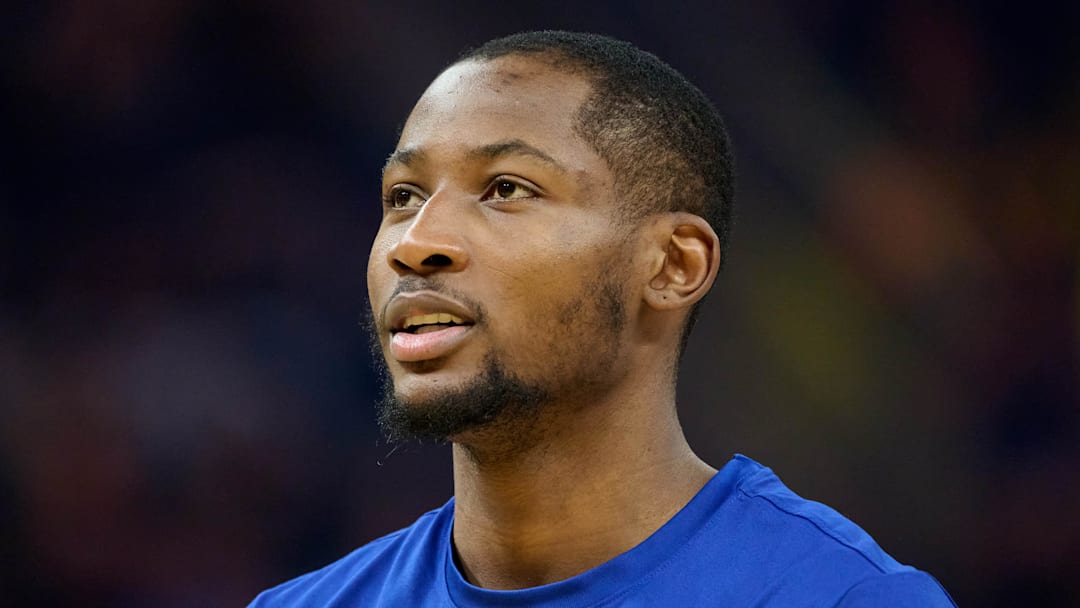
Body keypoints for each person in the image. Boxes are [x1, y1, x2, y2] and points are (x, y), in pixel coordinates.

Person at [249, 31, 955, 607]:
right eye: (403, 195)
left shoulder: (840, 597)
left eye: (505, 189)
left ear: (673, 266)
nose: (414, 242)